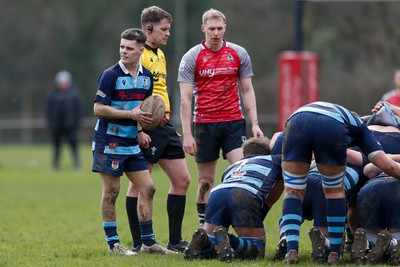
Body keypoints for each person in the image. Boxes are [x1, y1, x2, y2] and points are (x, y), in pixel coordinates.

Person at [280, 101, 400, 264]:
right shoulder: (361, 129)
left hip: (296, 118)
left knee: (293, 191)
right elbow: (387, 165)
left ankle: (291, 251)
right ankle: (335, 254)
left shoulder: (352, 121)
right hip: (331, 124)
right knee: (334, 192)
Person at [92, 28, 174, 255]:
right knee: (112, 191)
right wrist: (131, 116)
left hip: (131, 143)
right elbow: (98, 108)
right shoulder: (110, 75)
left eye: (129, 48)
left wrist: (139, 131)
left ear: (141, 49)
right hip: (109, 142)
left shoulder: (147, 77)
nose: (124, 51)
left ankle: (148, 243)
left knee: (148, 187)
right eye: (122, 47)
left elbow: (141, 109)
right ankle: (113, 245)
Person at [178, 8, 264, 227]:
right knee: (206, 181)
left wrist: (254, 123)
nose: (215, 33)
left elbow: (247, 90)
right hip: (205, 125)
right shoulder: (192, 57)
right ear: (203, 29)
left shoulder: (238, 53)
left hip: (233, 122)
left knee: (241, 174)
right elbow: (186, 99)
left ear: (225, 28)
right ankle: (203, 230)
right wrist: (187, 134)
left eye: (219, 28)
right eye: (211, 29)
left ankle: (242, 224)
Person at [125, 6, 191, 253]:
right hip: (146, 127)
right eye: (164, 29)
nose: (168, 34)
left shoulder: (160, 55)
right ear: (149, 28)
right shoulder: (138, 55)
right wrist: (139, 128)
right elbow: (133, 94)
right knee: (140, 184)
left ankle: (175, 240)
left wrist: (168, 119)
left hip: (165, 126)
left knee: (182, 180)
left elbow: (159, 92)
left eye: (169, 29)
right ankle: (140, 242)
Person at [183, 137, 283, 262]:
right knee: (257, 252)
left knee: (212, 245)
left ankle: (204, 240)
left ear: (244, 153)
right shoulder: (274, 159)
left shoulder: (232, 166)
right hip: (245, 192)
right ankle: (229, 238)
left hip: (217, 193)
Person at [352, 173, 400, 265]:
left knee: (372, 235)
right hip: (397, 188)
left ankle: (367, 245)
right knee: (397, 232)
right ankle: (394, 246)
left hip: (370, 187)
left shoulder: (377, 159)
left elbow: (367, 170)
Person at [45, 69, 82, 170]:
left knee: (73, 146)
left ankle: (77, 165)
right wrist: (50, 124)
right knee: (56, 147)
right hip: (57, 126)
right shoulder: (53, 95)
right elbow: (49, 111)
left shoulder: (74, 95)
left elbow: (78, 110)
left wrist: (77, 124)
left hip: (70, 126)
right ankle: (55, 165)